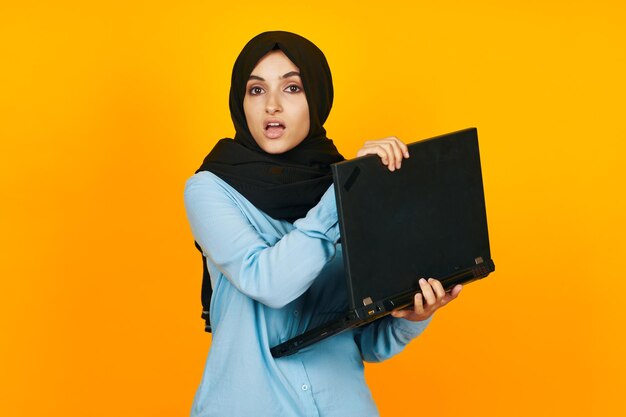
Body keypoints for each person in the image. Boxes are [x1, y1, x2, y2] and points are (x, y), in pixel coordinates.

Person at [184, 31, 462, 417]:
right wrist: (346, 190)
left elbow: (365, 340)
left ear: (317, 98)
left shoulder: (348, 186)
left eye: (293, 87)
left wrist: (414, 317)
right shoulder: (210, 190)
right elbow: (269, 282)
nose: (273, 106)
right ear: (240, 102)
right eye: (256, 90)